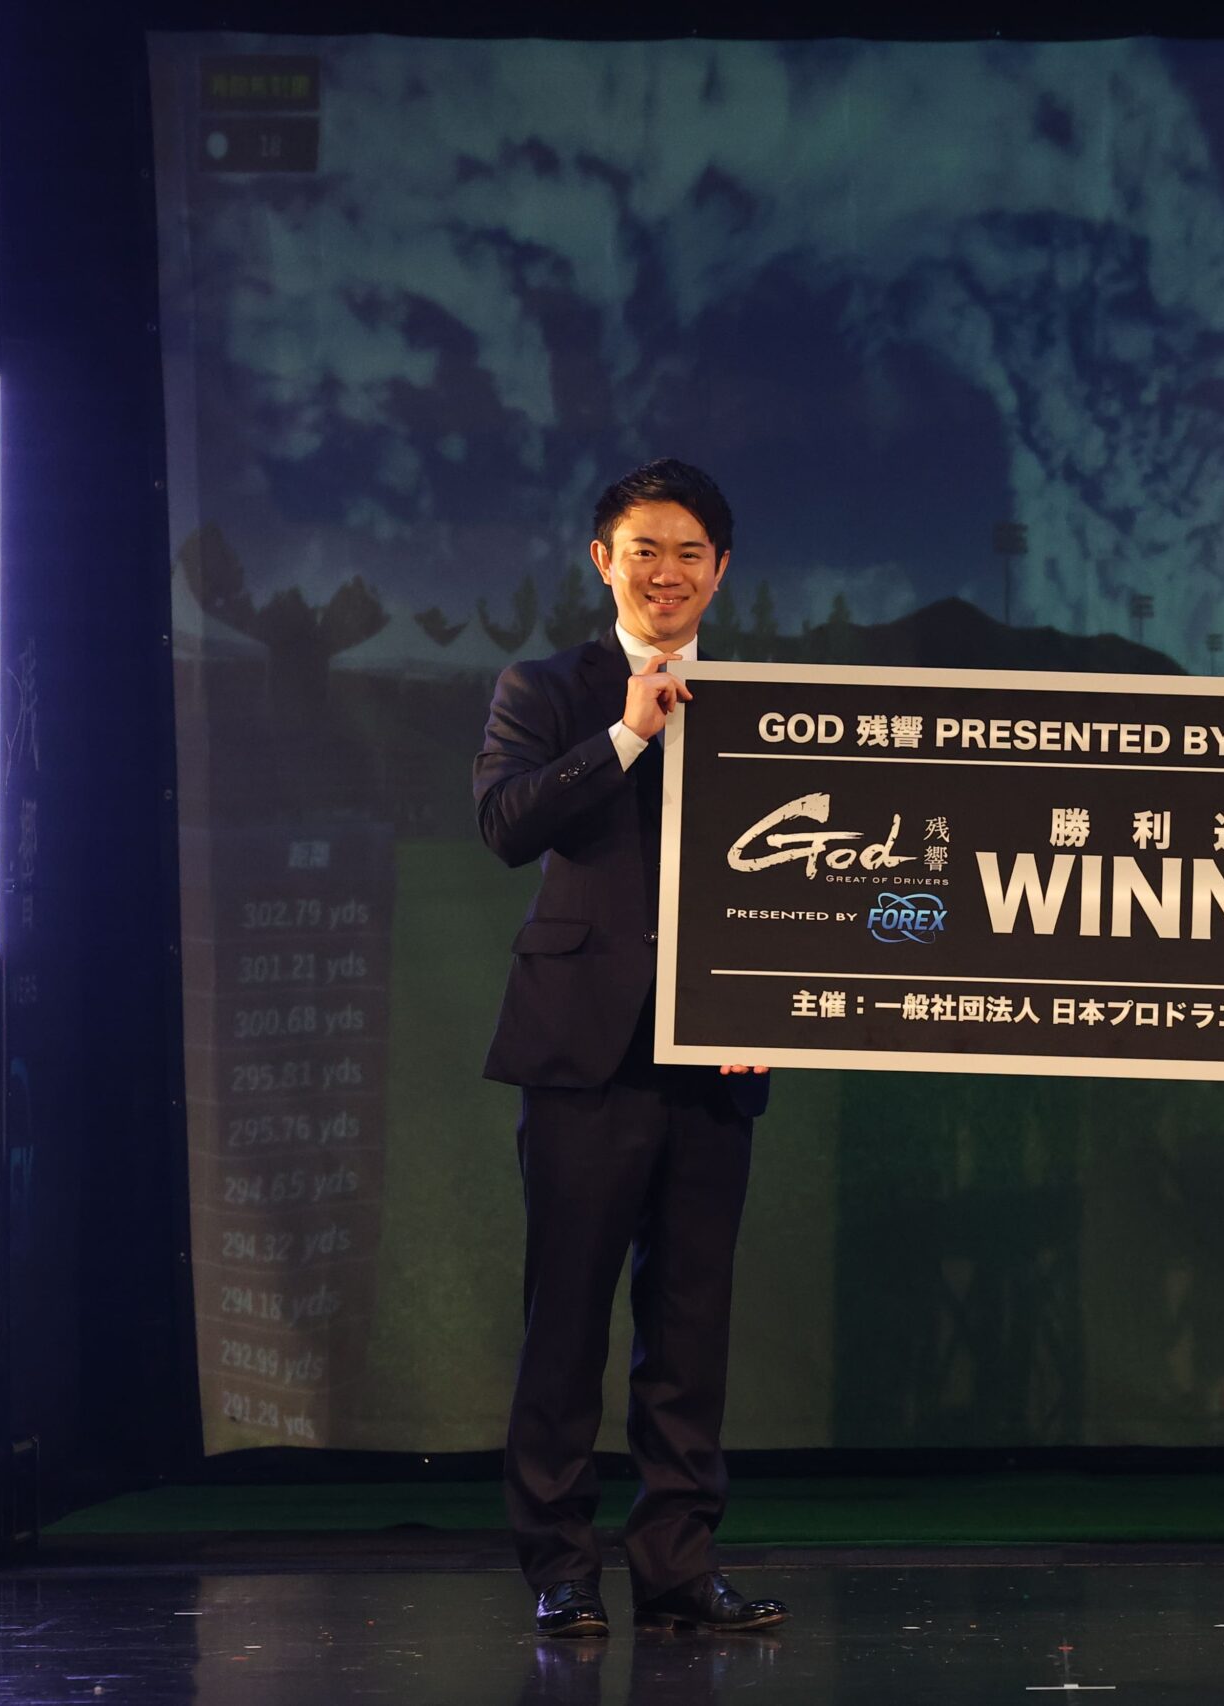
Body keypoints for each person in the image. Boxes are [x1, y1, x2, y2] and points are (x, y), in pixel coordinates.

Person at [475, 458, 784, 1639]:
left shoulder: (763, 704)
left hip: (714, 1059)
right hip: (580, 1050)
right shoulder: (544, 687)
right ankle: (561, 1566)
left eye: (690, 552)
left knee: (691, 1328)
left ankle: (677, 1565)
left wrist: (769, 1010)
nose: (667, 571)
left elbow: (805, 881)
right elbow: (506, 823)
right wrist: (625, 732)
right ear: (602, 560)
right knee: (566, 1321)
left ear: (722, 570)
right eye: (644, 549)